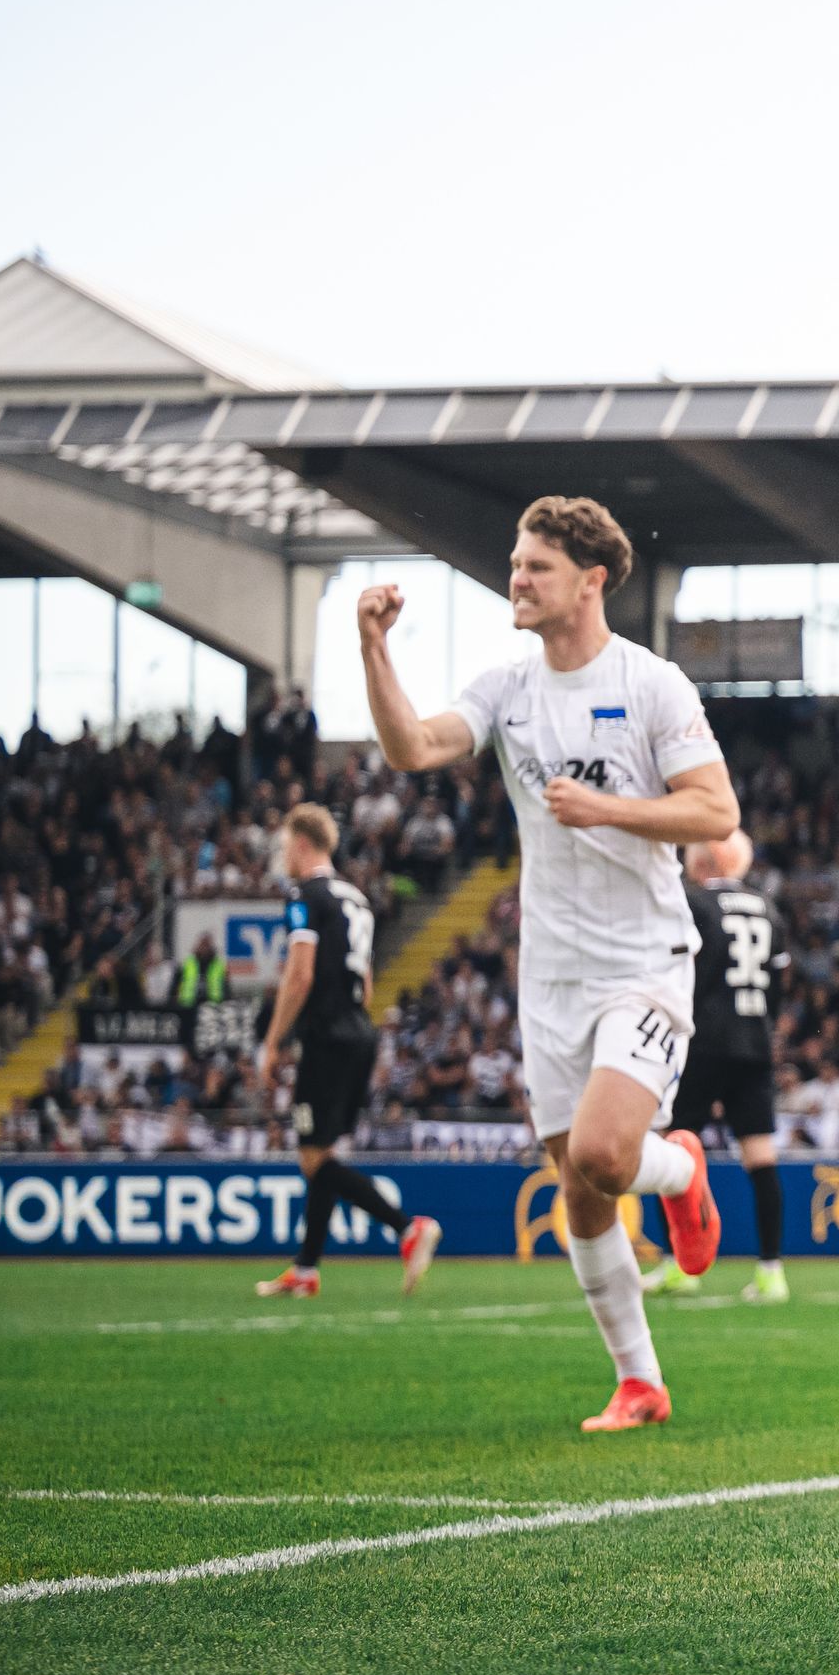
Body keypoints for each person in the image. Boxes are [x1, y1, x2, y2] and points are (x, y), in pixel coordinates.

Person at [362, 495, 732, 1433]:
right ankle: (639, 1381)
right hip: (551, 975)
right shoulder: (508, 688)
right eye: (516, 564)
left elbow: (715, 813)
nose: (516, 581)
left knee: (608, 1157)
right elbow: (414, 747)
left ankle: (682, 1173)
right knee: (579, 1186)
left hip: (644, 959)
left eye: (535, 568)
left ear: (591, 580)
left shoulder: (653, 685)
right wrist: (374, 649)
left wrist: (608, 810)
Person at [249, 803, 440, 1298]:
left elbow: (301, 972)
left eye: (284, 844)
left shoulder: (305, 895)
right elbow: (367, 983)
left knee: (315, 1161)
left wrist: (273, 1042)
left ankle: (407, 1227)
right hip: (360, 1032)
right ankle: (306, 1270)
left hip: (328, 1037)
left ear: (302, 844)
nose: (281, 855)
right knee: (324, 1156)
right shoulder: (355, 898)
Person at [647, 832, 793, 1304]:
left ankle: (677, 1265)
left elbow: (673, 968)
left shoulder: (692, 901)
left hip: (700, 1041)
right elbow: (777, 987)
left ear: (703, 861)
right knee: (762, 1159)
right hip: (754, 1043)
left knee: (672, 1148)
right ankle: (771, 1272)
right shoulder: (768, 907)